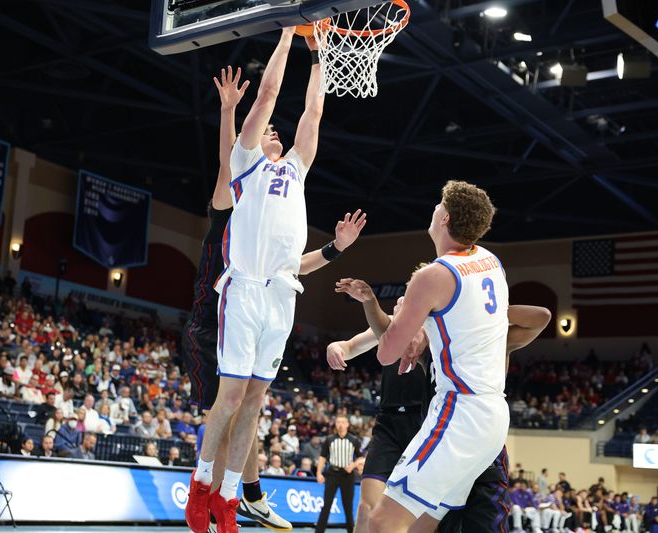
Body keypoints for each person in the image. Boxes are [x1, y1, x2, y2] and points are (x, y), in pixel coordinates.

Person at [186, 42, 365, 533]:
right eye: (263, 129)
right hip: (243, 289)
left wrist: (320, 53)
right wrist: (289, 33)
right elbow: (266, 93)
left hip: (283, 294)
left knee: (255, 403)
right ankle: (201, 487)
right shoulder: (244, 168)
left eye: (273, 131)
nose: (272, 131)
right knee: (230, 397)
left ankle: (229, 500)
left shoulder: (297, 167)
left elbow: (314, 108)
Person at [337, 181, 508, 533]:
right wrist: (424, 329)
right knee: (422, 525)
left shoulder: (432, 276)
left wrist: (409, 323)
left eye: (437, 205)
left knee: (381, 521)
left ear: (444, 218)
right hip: (493, 418)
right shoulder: (492, 262)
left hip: (459, 412)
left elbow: (386, 354)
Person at [315, 415, 360, 533]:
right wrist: (319, 473)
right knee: (327, 505)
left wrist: (354, 465)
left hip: (347, 475)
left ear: (347, 424)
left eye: (343, 422)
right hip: (332, 474)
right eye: (338, 422)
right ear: (335, 424)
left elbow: (361, 458)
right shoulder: (329, 439)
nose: (340, 424)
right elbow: (322, 457)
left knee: (348, 506)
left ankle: (351, 531)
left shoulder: (354, 440)